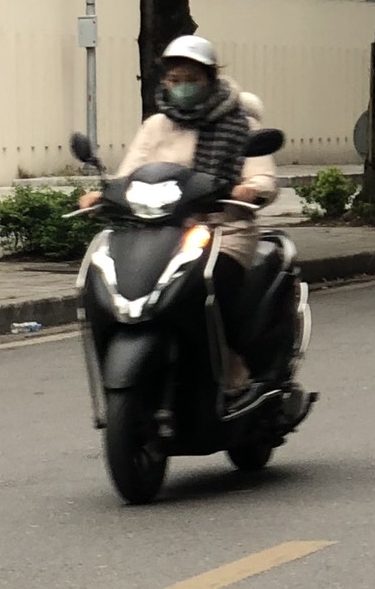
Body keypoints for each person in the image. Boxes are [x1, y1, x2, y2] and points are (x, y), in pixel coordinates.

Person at [78, 35, 277, 411]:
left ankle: (233, 368)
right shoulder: (157, 125)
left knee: (215, 284)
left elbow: (263, 177)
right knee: (107, 283)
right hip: (159, 230)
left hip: (223, 227)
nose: (182, 86)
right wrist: (103, 196)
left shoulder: (239, 123)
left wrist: (251, 188)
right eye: (174, 79)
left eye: (191, 79)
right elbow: (129, 174)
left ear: (210, 78)